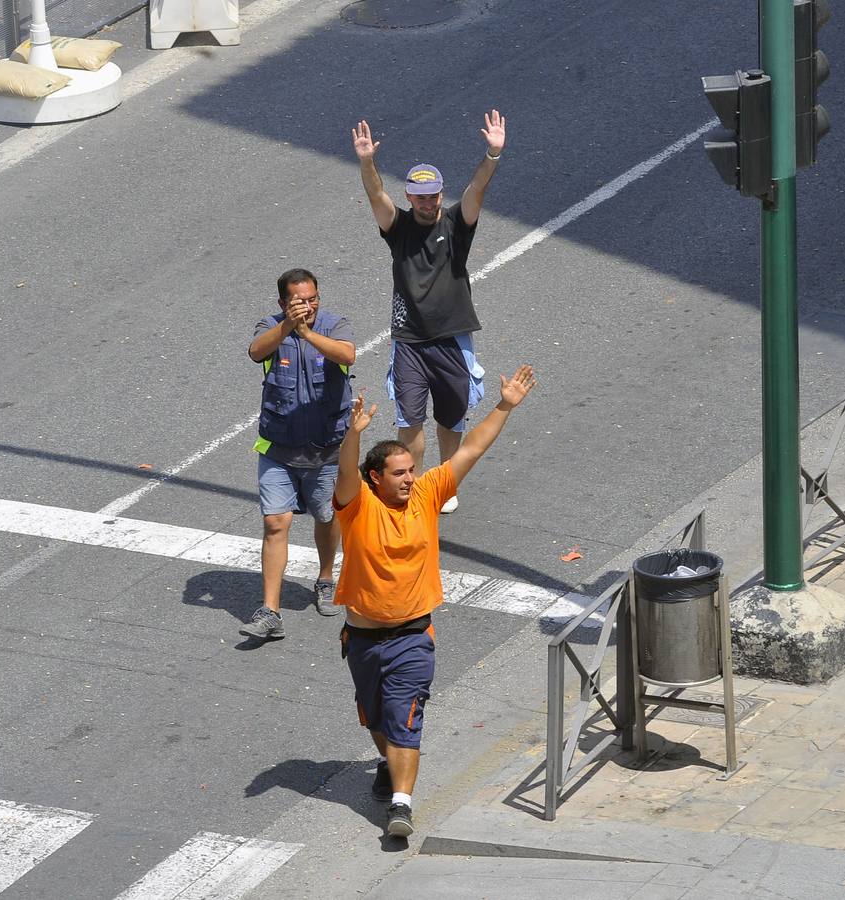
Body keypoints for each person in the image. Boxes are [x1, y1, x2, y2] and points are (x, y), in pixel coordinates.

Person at [332, 363, 536, 838]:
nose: (408, 479)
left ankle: (401, 805)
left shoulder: (427, 493)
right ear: (375, 479)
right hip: (362, 638)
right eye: (398, 473)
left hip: (412, 638)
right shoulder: (357, 505)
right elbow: (344, 472)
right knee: (375, 717)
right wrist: (353, 435)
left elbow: (471, 449)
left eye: (411, 471)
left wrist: (504, 406)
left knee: (405, 716)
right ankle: (389, 763)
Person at [351, 109, 507, 514]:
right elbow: (375, 196)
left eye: (433, 195)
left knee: (451, 419)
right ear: (410, 197)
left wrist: (492, 155)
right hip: (410, 340)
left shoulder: (457, 223)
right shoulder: (398, 227)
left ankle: (445, 482)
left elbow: (476, 189)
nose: (427, 202)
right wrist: (368, 162)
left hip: (452, 338)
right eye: (419, 196)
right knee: (410, 419)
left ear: (441, 193)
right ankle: (412, 488)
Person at [239, 268, 356, 641]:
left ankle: (325, 577)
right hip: (278, 447)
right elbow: (256, 351)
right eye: (298, 300)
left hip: (325, 450)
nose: (307, 305)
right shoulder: (270, 325)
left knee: (326, 514)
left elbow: (348, 355)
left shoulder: (334, 325)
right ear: (282, 303)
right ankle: (270, 611)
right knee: (275, 523)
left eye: (312, 298)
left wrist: (308, 333)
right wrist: (288, 328)